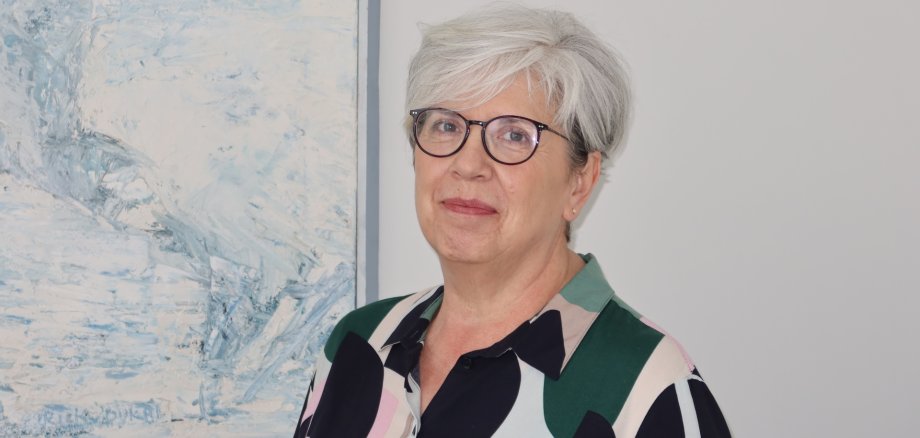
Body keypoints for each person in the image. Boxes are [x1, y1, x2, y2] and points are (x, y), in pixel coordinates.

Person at [294, 4, 730, 437]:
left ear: (579, 182)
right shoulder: (359, 344)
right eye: (446, 126)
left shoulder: (648, 387)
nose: (468, 165)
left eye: (514, 135)